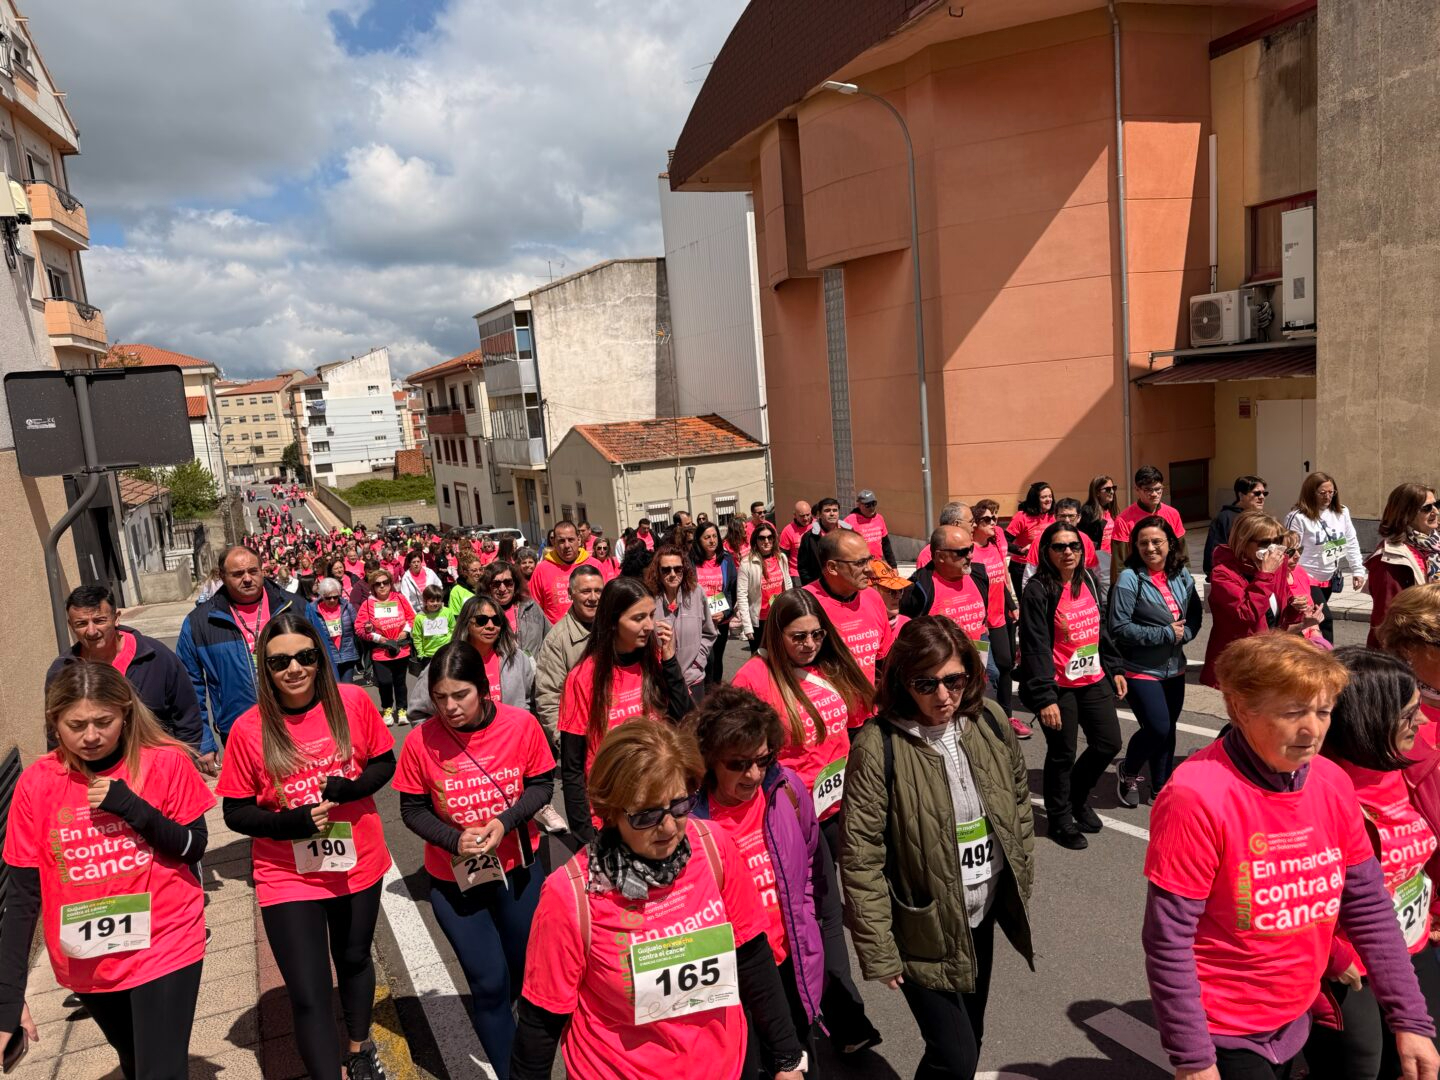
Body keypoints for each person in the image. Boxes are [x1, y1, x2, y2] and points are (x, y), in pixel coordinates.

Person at [1143, 632, 1439, 1080]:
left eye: (1323, 712)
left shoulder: (1331, 782)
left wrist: (1410, 1018)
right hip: (1224, 1029)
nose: (1313, 730)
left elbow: (1369, 907)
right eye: (1293, 712)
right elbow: (1168, 939)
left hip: (1295, 1016)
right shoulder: (1194, 795)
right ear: (1241, 709)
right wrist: (1193, 1058)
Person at [511, 721, 807, 1080]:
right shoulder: (570, 895)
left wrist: (788, 1059)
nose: (668, 828)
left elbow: (752, 957)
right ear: (612, 811)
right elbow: (540, 1025)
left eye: (680, 804)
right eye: (647, 815)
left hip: (726, 1066)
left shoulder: (713, 847)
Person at [841, 616, 1036, 1079]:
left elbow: (1019, 797)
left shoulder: (987, 720)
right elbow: (861, 857)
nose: (943, 695)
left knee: (971, 1036)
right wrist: (879, 949)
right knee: (955, 1056)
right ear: (903, 681)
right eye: (926, 683)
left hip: (979, 912)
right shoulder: (878, 744)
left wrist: (1022, 865)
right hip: (923, 927)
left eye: (953, 680)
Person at [0, 662, 214, 1080]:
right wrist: (8, 997)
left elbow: (194, 847)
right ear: (54, 722)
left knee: (162, 1072)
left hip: (165, 937)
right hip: (88, 956)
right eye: (76, 725)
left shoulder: (165, 763)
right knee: (136, 1062)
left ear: (126, 714)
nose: (92, 736)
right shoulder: (36, 784)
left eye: (104, 721)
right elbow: (24, 897)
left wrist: (132, 808)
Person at [215, 612, 395, 1080]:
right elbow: (234, 811)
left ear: (319, 658)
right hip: (287, 873)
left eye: (304, 657)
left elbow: (383, 764)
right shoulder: (248, 729)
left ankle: (358, 1049)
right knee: (310, 991)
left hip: (358, 860)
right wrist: (288, 823)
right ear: (265, 669)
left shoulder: (353, 702)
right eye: (279, 663)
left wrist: (349, 790)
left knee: (354, 958)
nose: (293, 669)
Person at [731, 587, 882, 1054]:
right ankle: (838, 1017)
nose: (810, 644)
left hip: (845, 809)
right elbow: (733, 752)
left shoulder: (832, 667)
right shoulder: (753, 679)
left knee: (851, 910)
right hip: (792, 821)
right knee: (816, 916)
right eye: (799, 637)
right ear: (776, 635)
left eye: (817, 634)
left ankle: (835, 1013)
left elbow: (858, 725)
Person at [394, 643, 555, 1079]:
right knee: (488, 984)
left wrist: (504, 823)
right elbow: (411, 810)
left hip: (520, 871)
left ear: (484, 691)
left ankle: (518, 1040)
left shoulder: (520, 725)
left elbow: (542, 786)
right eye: (439, 697)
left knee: (523, 980)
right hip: (453, 880)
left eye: (460, 695)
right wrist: (452, 838)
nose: (449, 707)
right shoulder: (420, 742)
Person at [1304, 648, 1440, 1080]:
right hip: (1345, 965)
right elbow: (1279, 892)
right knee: (1364, 1067)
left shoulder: (1412, 765)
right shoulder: (1314, 788)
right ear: (1369, 718)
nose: (1421, 723)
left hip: (1410, 946)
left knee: (1424, 1056)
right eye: (1409, 714)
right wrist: (1332, 952)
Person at [690, 686, 825, 1075]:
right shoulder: (689, 821)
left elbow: (811, 864)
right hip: (732, 983)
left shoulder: (786, 790)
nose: (754, 774)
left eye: (763, 760)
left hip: (790, 968)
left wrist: (814, 938)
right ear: (711, 759)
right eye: (739, 764)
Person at [558, 576, 693, 840]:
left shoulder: (656, 661)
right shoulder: (583, 677)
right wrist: (585, 833)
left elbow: (687, 720)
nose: (650, 626)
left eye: (652, 615)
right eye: (638, 618)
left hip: (663, 805)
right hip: (612, 816)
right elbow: (572, 766)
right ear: (612, 622)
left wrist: (670, 662)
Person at [1019, 520, 1124, 850]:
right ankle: (1060, 819)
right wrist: (1044, 696)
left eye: (1074, 546)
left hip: (1092, 678)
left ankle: (1077, 799)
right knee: (1062, 754)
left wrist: (1114, 666)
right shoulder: (1038, 590)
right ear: (1046, 552)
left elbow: (1099, 628)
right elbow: (1035, 645)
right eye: (1060, 546)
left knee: (1108, 743)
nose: (1068, 552)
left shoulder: (1088, 580)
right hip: (1059, 685)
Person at [177, 544, 297, 774]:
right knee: (254, 804)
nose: (247, 579)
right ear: (222, 576)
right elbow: (190, 687)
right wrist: (202, 741)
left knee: (306, 799)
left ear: (263, 570)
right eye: (238, 574)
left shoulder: (294, 608)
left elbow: (326, 669)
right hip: (239, 730)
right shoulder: (199, 623)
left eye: (253, 571)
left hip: (298, 722)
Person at [1109, 515, 1202, 807]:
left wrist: (1183, 634)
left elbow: (1196, 615)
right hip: (1140, 668)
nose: (1150, 548)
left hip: (1174, 667)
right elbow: (1118, 627)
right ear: (1135, 546)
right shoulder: (1129, 578)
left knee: (1169, 727)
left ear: (1169, 544)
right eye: (1143, 543)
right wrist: (1163, 634)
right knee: (1157, 727)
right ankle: (1129, 771)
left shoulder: (1181, 574)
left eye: (1156, 542)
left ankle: (1161, 786)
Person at [48, 584, 202, 750]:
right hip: (93, 772)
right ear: (71, 626)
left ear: (116, 618)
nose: (91, 631)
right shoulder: (61, 670)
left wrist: (186, 758)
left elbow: (188, 716)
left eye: (99, 621)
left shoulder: (156, 657)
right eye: (81, 624)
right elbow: (54, 733)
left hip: (156, 767)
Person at [1201, 511, 1293, 688]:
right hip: (1241, 663)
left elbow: (1281, 610)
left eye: (1278, 541)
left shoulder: (1278, 566)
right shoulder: (1223, 574)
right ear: (1244, 542)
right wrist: (1265, 575)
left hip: (1271, 657)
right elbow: (1247, 614)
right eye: (1265, 542)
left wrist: (1297, 608)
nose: (1273, 548)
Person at [1284, 471, 1367, 645]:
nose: (1327, 497)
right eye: (1322, 493)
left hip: (1328, 577)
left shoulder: (1342, 512)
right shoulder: (1298, 517)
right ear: (1310, 493)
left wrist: (1357, 570)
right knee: (1324, 618)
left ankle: (1307, 652)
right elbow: (1289, 548)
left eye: (1331, 492)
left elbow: (1351, 540)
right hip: (1306, 577)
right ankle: (1328, 657)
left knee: (1312, 623)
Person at [804, 529, 895, 684]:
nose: (869, 569)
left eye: (869, 559)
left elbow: (883, 658)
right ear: (832, 567)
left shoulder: (873, 597)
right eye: (859, 563)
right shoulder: (805, 603)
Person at [971, 500, 1027, 738]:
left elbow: (1000, 580)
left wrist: (1012, 605)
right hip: (980, 621)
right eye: (987, 520)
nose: (994, 523)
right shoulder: (969, 550)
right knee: (986, 671)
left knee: (1005, 665)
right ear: (974, 525)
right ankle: (983, 718)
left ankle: (1007, 716)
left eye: (995, 519)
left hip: (1000, 616)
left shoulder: (994, 545)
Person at [534, 565, 604, 745]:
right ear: (570, 593)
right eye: (586, 591)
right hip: (582, 743)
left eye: (598, 591)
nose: (593, 598)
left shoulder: (615, 627)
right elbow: (548, 698)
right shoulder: (557, 641)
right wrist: (567, 745)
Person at [901, 525, 993, 658]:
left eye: (971, 548)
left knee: (993, 675)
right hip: (943, 663)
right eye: (963, 552)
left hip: (978, 650)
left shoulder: (979, 575)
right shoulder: (918, 588)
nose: (971, 555)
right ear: (941, 556)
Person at [1367, 482, 1440, 648]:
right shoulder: (1389, 558)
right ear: (1406, 514)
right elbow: (1387, 617)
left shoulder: (1435, 545)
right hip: (1412, 649)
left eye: (1436, 505)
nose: (1435, 511)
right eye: (1427, 508)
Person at [645, 543, 716, 699]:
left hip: (693, 680)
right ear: (657, 571)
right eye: (666, 569)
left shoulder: (697, 593)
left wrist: (697, 663)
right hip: (660, 683)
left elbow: (709, 633)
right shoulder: (648, 598)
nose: (672, 574)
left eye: (678, 569)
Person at [450, 594, 537, 711]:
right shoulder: (447, 662)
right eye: (482, 620)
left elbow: (531, 700)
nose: (491, 626)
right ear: (466, 623)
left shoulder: (517, 658)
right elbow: (421, 714)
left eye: (496, 620)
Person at [355, 568, 415, 725]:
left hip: (401, 649)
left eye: (385, 583)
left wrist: (406, 632)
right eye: (378, 584)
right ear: (373, 587)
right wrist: (376, 637)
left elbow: (411, 618)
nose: (382, 586)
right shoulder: (368, 604)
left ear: (390, 583)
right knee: (384, 682)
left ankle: (402, 709)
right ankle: (387, 708)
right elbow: (359, 628)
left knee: (400, 682)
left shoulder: (400, 599)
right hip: (380, 651)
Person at [1111, 465, 1187, 581]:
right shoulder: (1123, 520)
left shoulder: (1173, 514)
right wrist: (1117, 586)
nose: (1154, 494)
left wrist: (1186, 577)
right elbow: (1119, 562)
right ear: (1137, 489)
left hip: (1169, 575)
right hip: (1140, 578)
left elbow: (1181, 550)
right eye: (1148, 490)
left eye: (1158, 489)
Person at [691, 523, 738, 691]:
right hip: (699, 622)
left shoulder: (727, 560)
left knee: (717, 660)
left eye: (714, 536)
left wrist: (725, 613)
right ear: (699, 540)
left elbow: (731, 590)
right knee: (706, 660)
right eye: (707, 537)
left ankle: (715, 694)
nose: (712, 541)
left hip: (720, 622)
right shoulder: (690, 562)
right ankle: (703, 694)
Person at [734, 521, 793, 654]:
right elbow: (742, 596)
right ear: (756, 541)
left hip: (778, 617)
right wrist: (747, 627)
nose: (766, 541)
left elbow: (788, 585)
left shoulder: (781, 558)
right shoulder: (746, 564)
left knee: (781, 656)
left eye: (769, 537)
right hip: (759, 621)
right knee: (760, 659)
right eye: (762, 538)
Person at [1204, 476, 1269, 578]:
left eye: (1264, 493)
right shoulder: (1225, 518)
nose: (1262, 497)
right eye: (1256, 493)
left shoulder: (1262, 518)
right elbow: (1213, 554)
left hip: (1260, 575)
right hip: (1235, 578)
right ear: (1241, 495)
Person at [530, 521, 591, 625]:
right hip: (555, 636)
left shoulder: (594, 565)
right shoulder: (541, 570)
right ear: (554, 543)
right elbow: (534, 611)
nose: (567, 545)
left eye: (571, 540)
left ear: (579, 540)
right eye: (561, 541)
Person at [481, 561, 547, 656]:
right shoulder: (479, 611)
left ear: (515, 584)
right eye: (496, 584)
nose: (502, 589)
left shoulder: (531, 607)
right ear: (487, 586)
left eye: (508, 583)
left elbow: (550, 638)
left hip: (532, 669)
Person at [1005, 481, 1055, 598]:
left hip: (1046, 565)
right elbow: (1003, 541)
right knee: (1027, 602)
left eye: (1050, 496)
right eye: (1044, 497)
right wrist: (1021, 550)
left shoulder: (1052, 515)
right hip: (1022, 567)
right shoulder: (1022, 517)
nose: (1048, 500)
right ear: (1034, 499)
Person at [306, 576, 360, 683]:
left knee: (346, 689)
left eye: (335, 597)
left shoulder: (347, 607)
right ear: (322, 596)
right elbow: (308, 632)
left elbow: (357, 626)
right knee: (334, 689)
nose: (332, 600)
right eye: (328, 597)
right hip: (328, 657)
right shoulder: (312, 609)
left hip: (347, 654)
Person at [796, 497, 853, 586]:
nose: (832, 514)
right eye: (827, 510)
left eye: (835, 510)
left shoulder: (849, 533)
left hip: (845, 585)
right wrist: (812, 587)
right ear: (819, 514)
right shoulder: (809, 537)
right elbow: (803, 568)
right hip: (820, 588)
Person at [1080, 475, 1118, 583]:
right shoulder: (1087, 512)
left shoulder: (1111, 510)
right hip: (1097, 561)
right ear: (1096, 492)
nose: (1112, 492)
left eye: (1113, 488)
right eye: (1107, 489)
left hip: (1112, 560)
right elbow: (1085, 540)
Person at [914, 502, 973, 569]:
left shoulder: (973, 546)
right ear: (956, 524)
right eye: (971, 522)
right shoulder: (927, 555)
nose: (975, 525)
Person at [846, 488, 896, 565]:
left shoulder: (879, 518)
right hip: (860, 566)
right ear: (858, 504)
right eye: (867, 505)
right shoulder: (850, 520)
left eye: (873, 503)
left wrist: (893, 566)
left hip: (877, 564)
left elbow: (886, 545)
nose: (871, 508)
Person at [778, 501, 813, 569]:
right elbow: (783, 556)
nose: (805, 518)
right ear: (795, 515)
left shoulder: (817, 525)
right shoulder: (787, 531)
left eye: (808, 514)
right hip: (797, 573)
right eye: (802, 516)